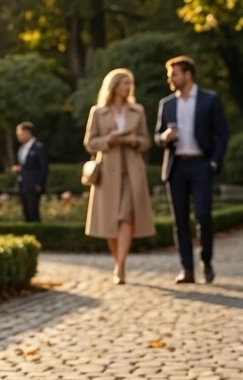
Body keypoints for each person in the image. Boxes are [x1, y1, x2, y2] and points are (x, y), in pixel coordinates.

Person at [155, 54, 229, 283]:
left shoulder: (209, 100)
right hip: (176, 166)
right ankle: (186, 269)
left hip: (201, 165)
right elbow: (157, 137)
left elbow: (223, 133)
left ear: (187, 75)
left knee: (204, 216)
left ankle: (206, 261)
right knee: (180, 220)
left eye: (174, 74)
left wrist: (214, 161)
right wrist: (164, 137)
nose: (170, 78)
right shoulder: (167, 104)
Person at [83, 68, 156, 283]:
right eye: (124, 82)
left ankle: (121, 266)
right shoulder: (98, 112)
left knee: (126, 217)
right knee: (110, 222)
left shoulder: (137, 111)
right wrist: (108, 140)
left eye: (130, 83)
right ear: (114, 85)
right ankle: (118, 261)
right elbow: (89, 143)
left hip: (131, 171)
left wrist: (133, 140)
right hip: (107, 172)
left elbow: (146, 141)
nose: (128, 87)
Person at [12, 122, 48, 222]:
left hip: (34, 185)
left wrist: (39, 184)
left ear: (27, 132)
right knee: (26, 211)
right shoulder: (21, 149)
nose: (18, 136)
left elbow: (43, 167)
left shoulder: (38, 147)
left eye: (20, 133)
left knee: (33, 211)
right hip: (23, 184)